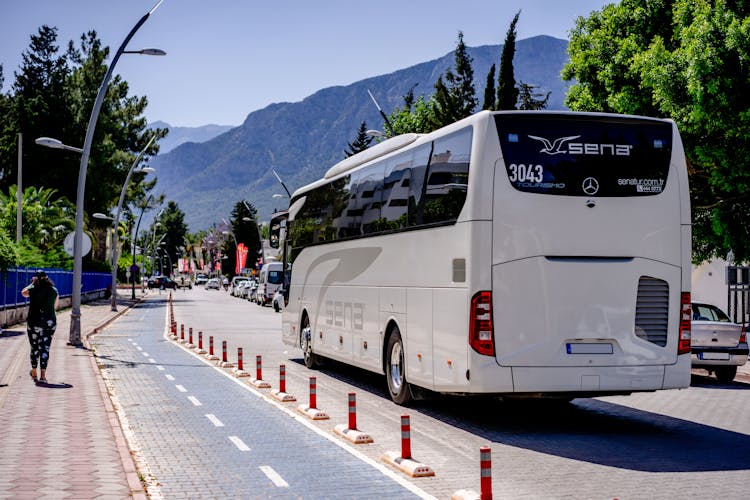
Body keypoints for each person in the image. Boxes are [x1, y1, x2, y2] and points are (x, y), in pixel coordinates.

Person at [21, 270, 59, 384]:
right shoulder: (54, 290)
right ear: (47, 278)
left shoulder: (32, 289)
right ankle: (43, 375)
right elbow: (55, 306)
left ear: (36, 279)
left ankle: (34, 371)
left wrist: (32, 283)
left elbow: (23, 292)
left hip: (34, 321)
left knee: (34, 347)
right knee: (45, 347)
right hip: (49, 322)